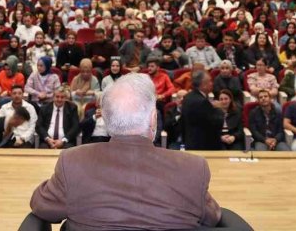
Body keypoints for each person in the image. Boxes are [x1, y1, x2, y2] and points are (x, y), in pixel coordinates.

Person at [30, 73, 222, 230]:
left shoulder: (72, 162)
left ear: (105, 120)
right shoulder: (193, 167)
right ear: (153, 119)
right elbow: (212, 218)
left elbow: (42, 206)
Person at [180, 69, 224, 150]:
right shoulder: (202, 102)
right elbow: (216, 123)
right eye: (210, 81)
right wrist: (219, 109)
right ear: (203, 84)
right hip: (203, 146)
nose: (212, 83)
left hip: (190, 142)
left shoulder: (188, 97)